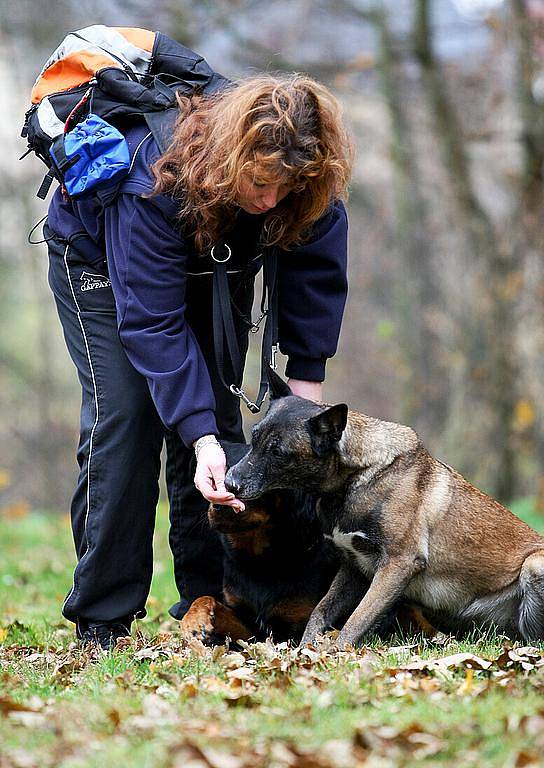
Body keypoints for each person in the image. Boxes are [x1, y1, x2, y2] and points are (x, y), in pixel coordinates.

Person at [44, 73, 352, 649]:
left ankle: (212, 602)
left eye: (286, 191)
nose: (270, 202)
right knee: (131, 417)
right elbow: (152, 324)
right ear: (236, 158)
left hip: (211, 267)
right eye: (261, 186)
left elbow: (317, 275)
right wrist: (200, 438)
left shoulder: (303, 186)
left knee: (216, 421)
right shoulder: (151, 178)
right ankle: (104, 616)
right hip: (104, 267)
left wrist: (305, 398)